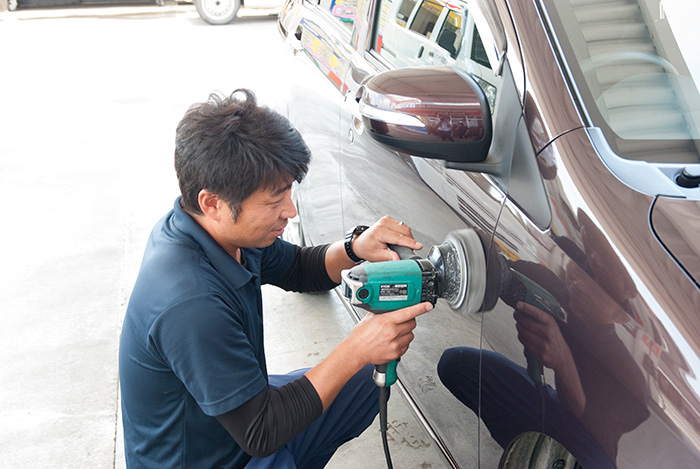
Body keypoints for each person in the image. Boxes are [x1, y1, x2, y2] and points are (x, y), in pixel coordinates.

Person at [118, 89, 432, 468]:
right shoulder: (191, 302)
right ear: (212, 203)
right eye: (273, 201)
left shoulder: (220, 232)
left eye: (288, 193)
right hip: (216, 456)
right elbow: (261, 432)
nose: (290, 210)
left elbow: (299, 268)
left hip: (233, 424)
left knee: (364, 381)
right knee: (352, 366)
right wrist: (355, 348)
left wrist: (354, 247)